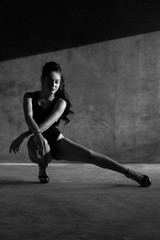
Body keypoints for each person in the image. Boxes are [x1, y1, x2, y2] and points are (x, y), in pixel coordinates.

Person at [9, 61, 151, 186]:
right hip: (38, 148)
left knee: (91, 155)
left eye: (57, 82)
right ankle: (42, 167)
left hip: (56, 141)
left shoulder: (60, 102)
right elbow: (29, 117)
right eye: (50, 81)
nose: (53, 85)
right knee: (35, 140)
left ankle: (131, 174)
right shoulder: (29, 97)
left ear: (60, 82)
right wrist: (35, 135)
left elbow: (46, 124)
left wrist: (23, 135)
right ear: (42, 79)